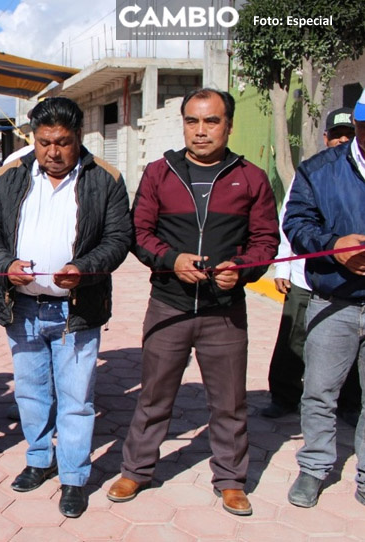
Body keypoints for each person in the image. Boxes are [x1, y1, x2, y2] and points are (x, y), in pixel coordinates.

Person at [108, 88, 279, 516]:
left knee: (229, 401)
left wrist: (241, 268)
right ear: (182, 123)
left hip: (224, 312)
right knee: (154, 395)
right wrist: (171, 260)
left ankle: (231, 479)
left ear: (228, 125)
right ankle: (137, 469)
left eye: (211, 121)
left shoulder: (251, 177)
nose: (201, 131)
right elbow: (139, 232)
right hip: (169, 304)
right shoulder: (159, 172)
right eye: (192, 121)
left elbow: (265, 241)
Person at [0, 97, 133, 518]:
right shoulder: (12, 174)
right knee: (30, 392)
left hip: (76, 311)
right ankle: (40, 459)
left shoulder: (106, 178)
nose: (53, 152)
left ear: (79, 137)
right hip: (22, 308)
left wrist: (84, 268)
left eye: (63, 142)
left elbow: (119, 239)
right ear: (34, 138)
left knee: (77, 398)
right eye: (45, 142)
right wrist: (4, 265)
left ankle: (75, 477)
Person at [281, 89, 365, 509]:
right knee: (319, 391)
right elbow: (296, 222)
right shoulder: (319, 170)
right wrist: (335, 245)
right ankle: (314, 468)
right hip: (334, 300)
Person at [262, 107, 361, 423]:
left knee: (346, 350)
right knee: (294, 339)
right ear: (326, 137)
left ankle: (347, 404)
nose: (341, 140)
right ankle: (284, 396)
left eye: (348, 135)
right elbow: (291, 222)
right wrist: (281, 267)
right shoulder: (314, 173)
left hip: (349, 287)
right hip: (306, 277)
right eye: (336, 135)